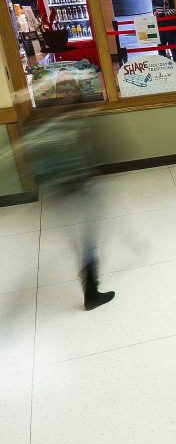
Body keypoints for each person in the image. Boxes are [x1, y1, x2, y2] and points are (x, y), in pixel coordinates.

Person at [21, 110, 115, 311]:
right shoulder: (73, 126)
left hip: (59, 196)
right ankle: (91, 292)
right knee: (89, 239)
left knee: (81, 240)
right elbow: (89, 157)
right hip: (82, 190)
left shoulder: (38, 128)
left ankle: (89, 284)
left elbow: (37, 169)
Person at [149, 0, 176, 65]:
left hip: (170, 22)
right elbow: (154, 6)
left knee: (171, 44)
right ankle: (166, 67)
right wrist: (154, 12)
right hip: (160, 22)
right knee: (161, 46)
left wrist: (163, 14)